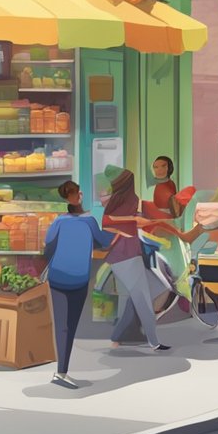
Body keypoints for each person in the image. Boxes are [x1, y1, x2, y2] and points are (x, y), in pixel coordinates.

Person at [44, 180, 115, 388]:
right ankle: (61, 372)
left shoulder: (58, 222)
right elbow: (104, 241)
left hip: (57, 278)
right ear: (78, 196)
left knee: (61, 326)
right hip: (78, 279)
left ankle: (61, 371)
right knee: (70, 326)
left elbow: (48, 246)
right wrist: (118, 228)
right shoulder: (90, 222)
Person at [101, 166, 169, 351]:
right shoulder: (125, 200)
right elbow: (107, 223)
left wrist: (133, 221)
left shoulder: (125, 199)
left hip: (130, 253)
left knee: (159, 285)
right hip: (125, 256)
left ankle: (118, 335)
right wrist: (133, 222)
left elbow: (115, 221)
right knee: (143, 298)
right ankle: (153, 341)